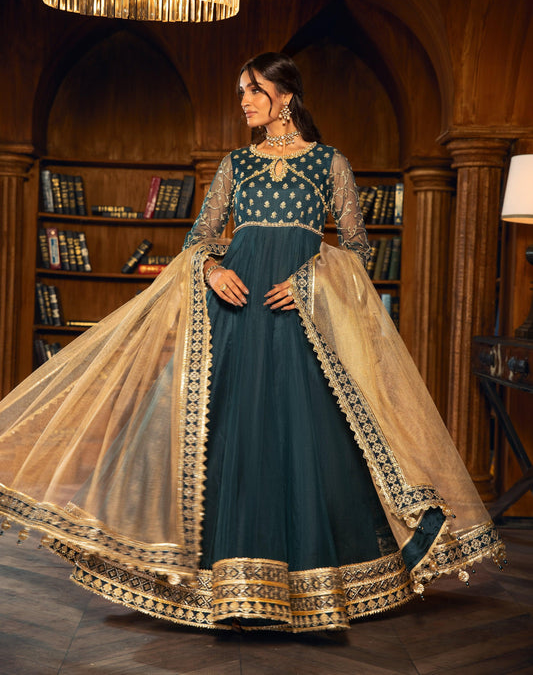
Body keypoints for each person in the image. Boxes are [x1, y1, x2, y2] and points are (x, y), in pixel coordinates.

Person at [0, 52, 504, 633]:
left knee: (308, 436)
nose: (243, 100)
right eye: (242, 90)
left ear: (285, 97)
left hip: (302, 319)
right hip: (236, 315)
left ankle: (315, 586)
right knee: (231, 432)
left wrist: (314, 281)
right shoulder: (236, 164)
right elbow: (201, 239)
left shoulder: (329, 164)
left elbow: (360, 252)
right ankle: (224, 586)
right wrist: (213, 272)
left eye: (254, 90)